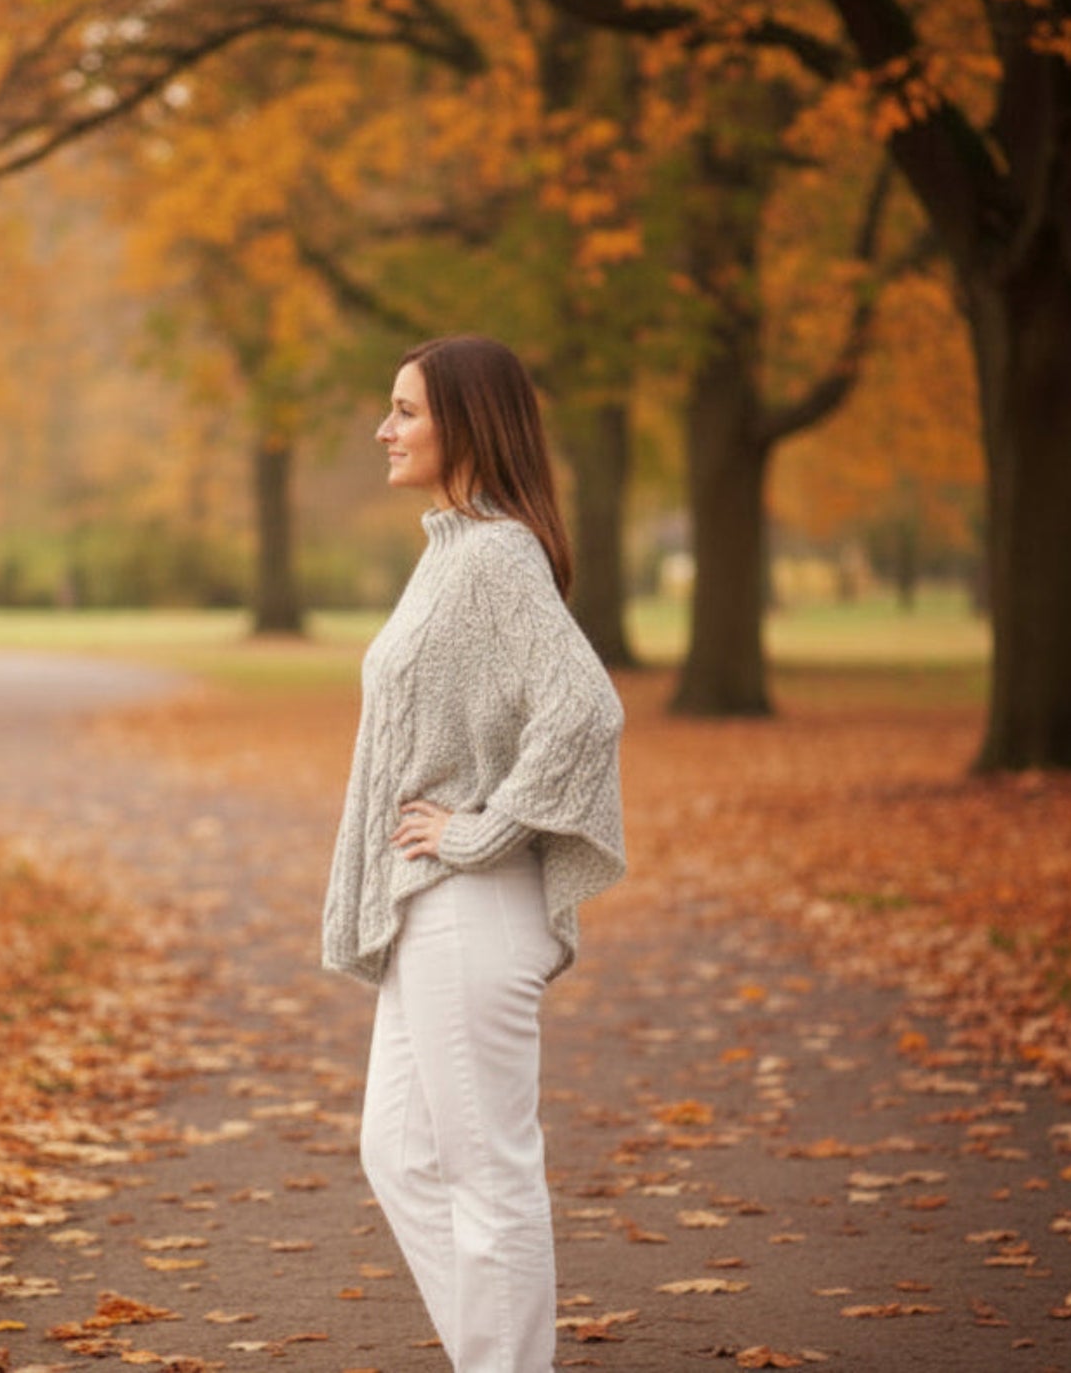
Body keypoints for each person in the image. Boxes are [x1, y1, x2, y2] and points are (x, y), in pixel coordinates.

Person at [322, 334, 626, 1372]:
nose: (384, 428)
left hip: (472, 897)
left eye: (404, 409)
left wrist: (483, 825)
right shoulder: (450, 550)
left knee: (489, 1174)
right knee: (397, 1150)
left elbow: (585, 708)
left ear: (466, 421)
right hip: (433, 903)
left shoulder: (495, 553)